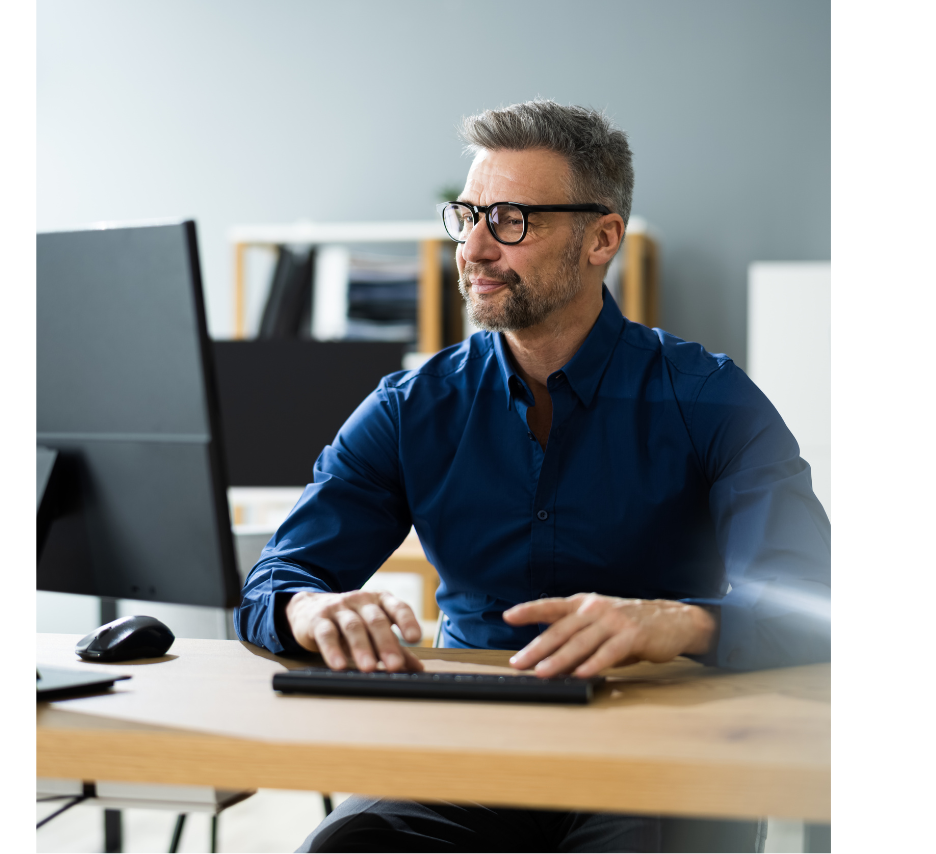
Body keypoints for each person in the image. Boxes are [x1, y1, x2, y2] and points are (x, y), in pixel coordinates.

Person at [235, 100, 831, 853]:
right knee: (343, 848)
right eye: (468, 216)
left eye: (512, 219)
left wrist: (678, 621)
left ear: (601, 237)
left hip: (663, 747)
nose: (475, 248)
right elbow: (276, 582)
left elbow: (815, 602)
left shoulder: (710, 398)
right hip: (473, 747)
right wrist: (310, 611)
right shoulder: (410, 407)